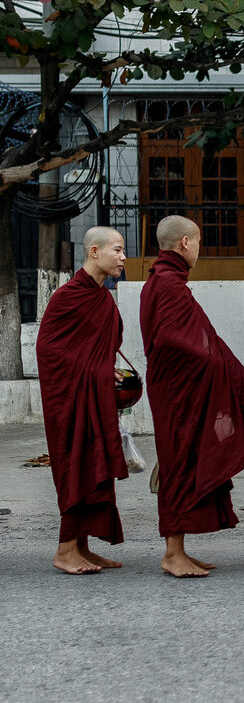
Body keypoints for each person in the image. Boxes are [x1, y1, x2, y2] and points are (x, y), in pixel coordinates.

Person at [140, 216, 244, 578]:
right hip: (177, 392)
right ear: (184, 243)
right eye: (197, 242)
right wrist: (218, 364)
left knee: (187, 460)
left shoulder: (165, 281)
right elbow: (173, 340)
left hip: (180, 388)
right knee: (178, 462)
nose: (199, 249)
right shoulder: (167, 284)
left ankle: (179, 549)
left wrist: (225, 365)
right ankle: (172, 553)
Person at [36, 226, 129, 575]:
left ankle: (82, 547)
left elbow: (96, 348)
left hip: (94, 395)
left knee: (95, 466)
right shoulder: (68, 296)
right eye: (117, 250)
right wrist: (95, 370)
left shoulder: (102, 298)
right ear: (94, 252)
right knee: (75, 466)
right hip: (69, 400)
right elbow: (48, 349)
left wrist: (105, 370)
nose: (123, 257)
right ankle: (64, 550)